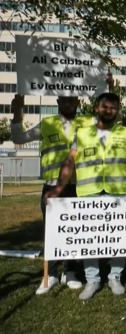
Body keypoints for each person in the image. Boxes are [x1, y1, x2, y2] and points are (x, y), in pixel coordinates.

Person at [44, 92, 126, 301]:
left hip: (118, 194)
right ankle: (92, 279)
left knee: (119, 237)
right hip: (89, 194)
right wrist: (58, 189)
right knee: (90, 238)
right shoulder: (82, 133)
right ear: (96, 108)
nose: (109, 111)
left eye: (113, 108)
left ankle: (115, 276)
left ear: (117, 111)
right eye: (105, 107)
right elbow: (69, 162)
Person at [10, 94, 93, 294]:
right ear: (57, 102)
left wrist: (109, 87)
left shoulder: (88, 122)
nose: (67, 103)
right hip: (52, 186)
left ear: (78, 103)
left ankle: (70, 271)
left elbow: (113, 121)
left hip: (78, 185)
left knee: (75, 230)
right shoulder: (46, 124)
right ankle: (51, 273)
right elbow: (18, 138)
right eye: (63, 100)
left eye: (71, 100)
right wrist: (16, 111)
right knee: (52, 230)